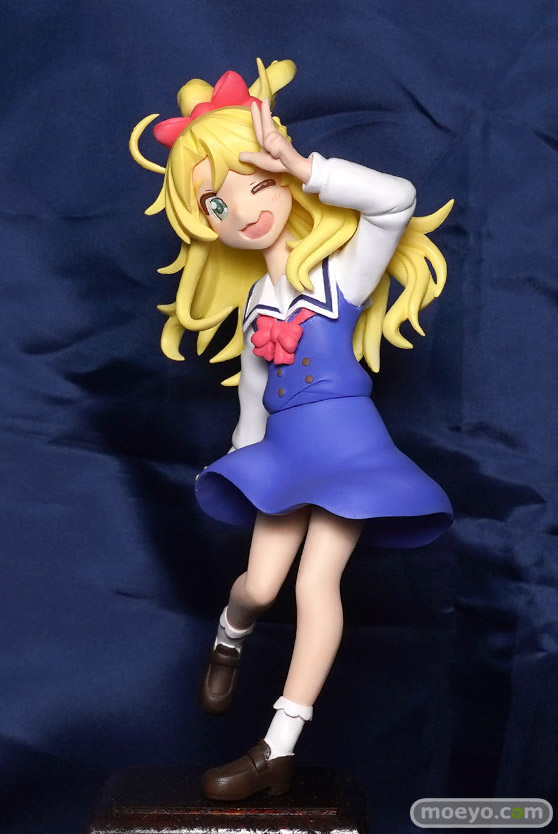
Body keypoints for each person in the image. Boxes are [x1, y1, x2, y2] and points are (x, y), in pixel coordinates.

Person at [130, 58, 453, 801]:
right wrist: (243, 456)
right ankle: (230, 635)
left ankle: (277, 745)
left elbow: (396, 202)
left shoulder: (341, 276)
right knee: (260, 585)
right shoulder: (253, 306)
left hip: (351, 448)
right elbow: (253, 388)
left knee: (315, 584)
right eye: (217, 202)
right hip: (285, 451)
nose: (243, 211)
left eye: (254, 182)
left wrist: (304, 167)